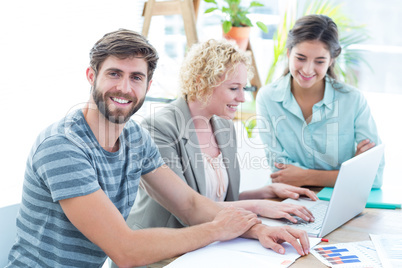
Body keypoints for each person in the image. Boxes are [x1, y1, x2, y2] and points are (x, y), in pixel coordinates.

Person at [7, 29, 310, 268]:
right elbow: (124, 250)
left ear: (148, 87)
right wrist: (219, 229)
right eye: (114, 74)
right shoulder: (63, 147)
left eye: (136, 77)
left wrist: (257, 230)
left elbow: (189, 204)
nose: (125, 88)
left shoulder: (135, 138)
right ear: (91, 76)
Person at [127, 39, 318, 240]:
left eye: (244, 88)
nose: (243, 98)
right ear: (201, 83)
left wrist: (266, 192)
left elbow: (216, 201)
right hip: (162, 247)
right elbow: (188, 208)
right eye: (234, 88)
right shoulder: (159, 128)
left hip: (208, 242)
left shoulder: (224, 126)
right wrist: (258, 206)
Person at [256, 14, 384, 188]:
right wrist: (346, 173)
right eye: (300, 58)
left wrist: (305, 177)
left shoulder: (353, 100)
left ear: (331, 61)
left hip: (341, 200)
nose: (308, 70)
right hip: (287, 200)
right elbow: (280, 174)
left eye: (319, 61)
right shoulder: (268, 98)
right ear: (288, 53)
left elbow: (373, 177)